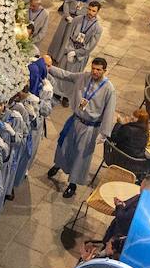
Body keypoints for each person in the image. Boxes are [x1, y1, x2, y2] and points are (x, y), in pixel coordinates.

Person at [45, 57, 117, 198]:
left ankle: (73, 184)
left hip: (90, 127)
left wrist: (104, 133)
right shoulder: (84, 76)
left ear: (104, 71)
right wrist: (49, 67)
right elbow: (67, 75)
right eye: (93, 68)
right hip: (76, 120)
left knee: (81, 155)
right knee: (65, 145)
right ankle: (59, 165)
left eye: (98, 70)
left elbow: (109, 111)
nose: (95, 72)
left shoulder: (109, 89)